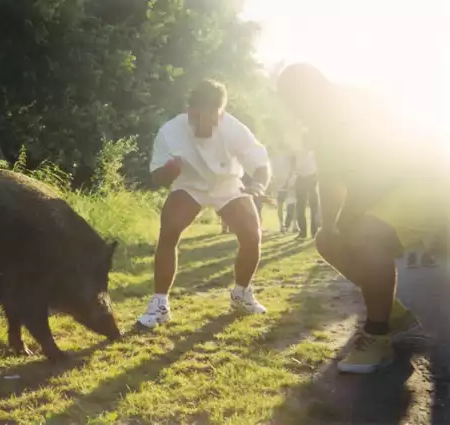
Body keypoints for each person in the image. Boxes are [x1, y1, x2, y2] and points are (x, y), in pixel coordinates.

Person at [276, 62, 448, 374]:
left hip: (427, 182)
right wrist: (331, 226)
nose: (294, 111)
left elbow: (387, 164)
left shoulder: (354, 108)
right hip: (397, 191)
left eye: (294, 101)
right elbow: (331, 182)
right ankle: (389, 315)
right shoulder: (319, 128)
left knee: (368, 232)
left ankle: (377, 336)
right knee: (329, 238)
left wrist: (351, 217)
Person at [137, 79, 272, 328]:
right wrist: (169, 171)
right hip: (190, 185)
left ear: (220, 112)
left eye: (215, 115)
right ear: (191, 110)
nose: (208, 122)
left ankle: (241, 294)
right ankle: (160, 304)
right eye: (202, 115)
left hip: (228, 184)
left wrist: (259, 185)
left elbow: (260, 163)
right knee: (168, 232)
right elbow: (157, 177)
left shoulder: (233, 128)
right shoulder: (170, 131)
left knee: (252, 234)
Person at [292, 142, 321, 239]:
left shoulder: (314, 151)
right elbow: (292, 163)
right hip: (300, 177)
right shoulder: (296, 150)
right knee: (300, 206)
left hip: (311, 177)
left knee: (314, 206)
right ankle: (303, 232)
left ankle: (314, 231)